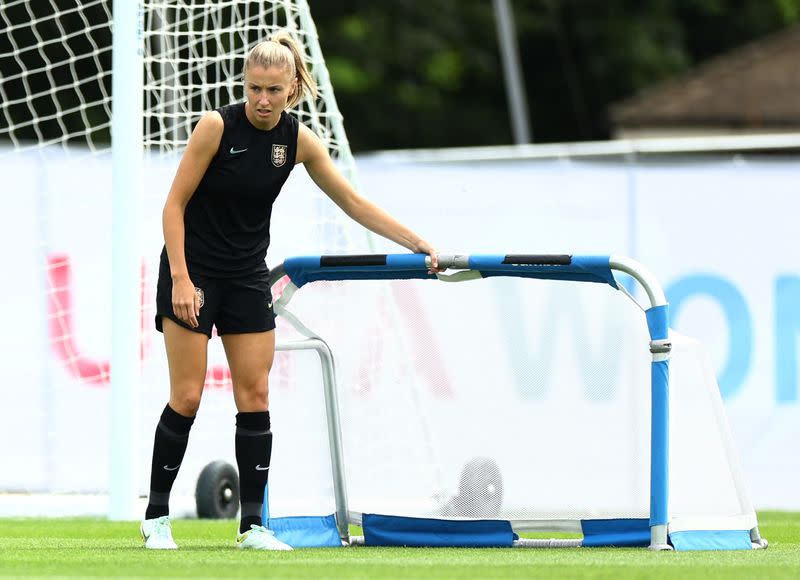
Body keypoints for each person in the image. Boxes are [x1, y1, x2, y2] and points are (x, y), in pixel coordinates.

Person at [140, 31, 440, 551]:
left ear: (292, 88)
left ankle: (253, 527)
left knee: (254, 395)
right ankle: (156, 518)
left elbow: (353, 202)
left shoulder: (298, 141)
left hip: (247, 274)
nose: (262, 99)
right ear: (244, 84)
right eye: (254, 88)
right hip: (193, 272)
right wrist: (183, 280)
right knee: (186, 396)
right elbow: (173, 206)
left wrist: (417, 242)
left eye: (273, 90)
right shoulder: (216, 126)